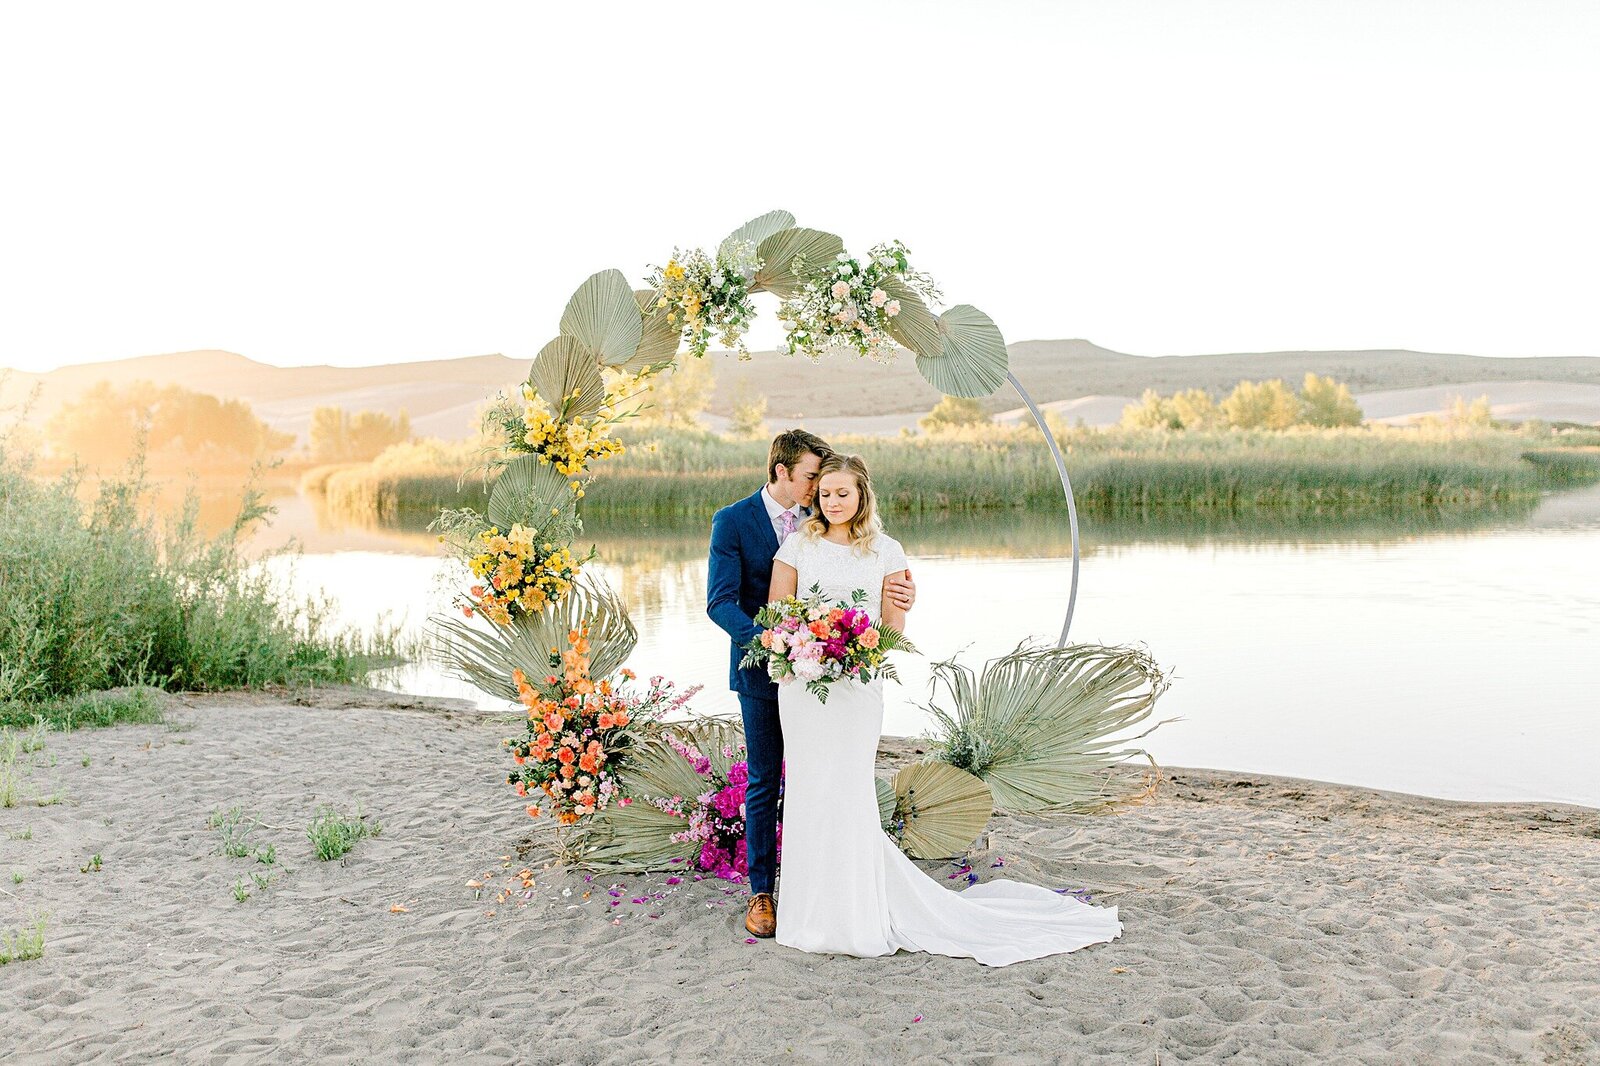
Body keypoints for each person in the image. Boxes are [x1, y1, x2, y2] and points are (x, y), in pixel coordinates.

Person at [766, 453, 1124, 966]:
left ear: (862, 494)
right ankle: (808, 915)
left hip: (856, 686)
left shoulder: (887, 551)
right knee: (808, 790)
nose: (833, 502)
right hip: (802, 686)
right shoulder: (797, 544)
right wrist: (806, 645)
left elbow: (891, 628)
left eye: (843, 493)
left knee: (846, 791)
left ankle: (854, 912)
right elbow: (778, 612)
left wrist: (857, 644)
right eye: (825, 493)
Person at [706, 430, 916, 939]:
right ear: (782, 472)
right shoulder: (733, 521)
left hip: (844, 678)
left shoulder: (833, 522)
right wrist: (783, 644)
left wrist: (898, 601)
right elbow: (720, 602)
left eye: (828, 484)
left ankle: (838, 886)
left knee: (829, 780)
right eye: (811, 480)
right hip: (767, 670)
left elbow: (882, 601)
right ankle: (762, 892)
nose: (820, 490)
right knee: (765, 780)